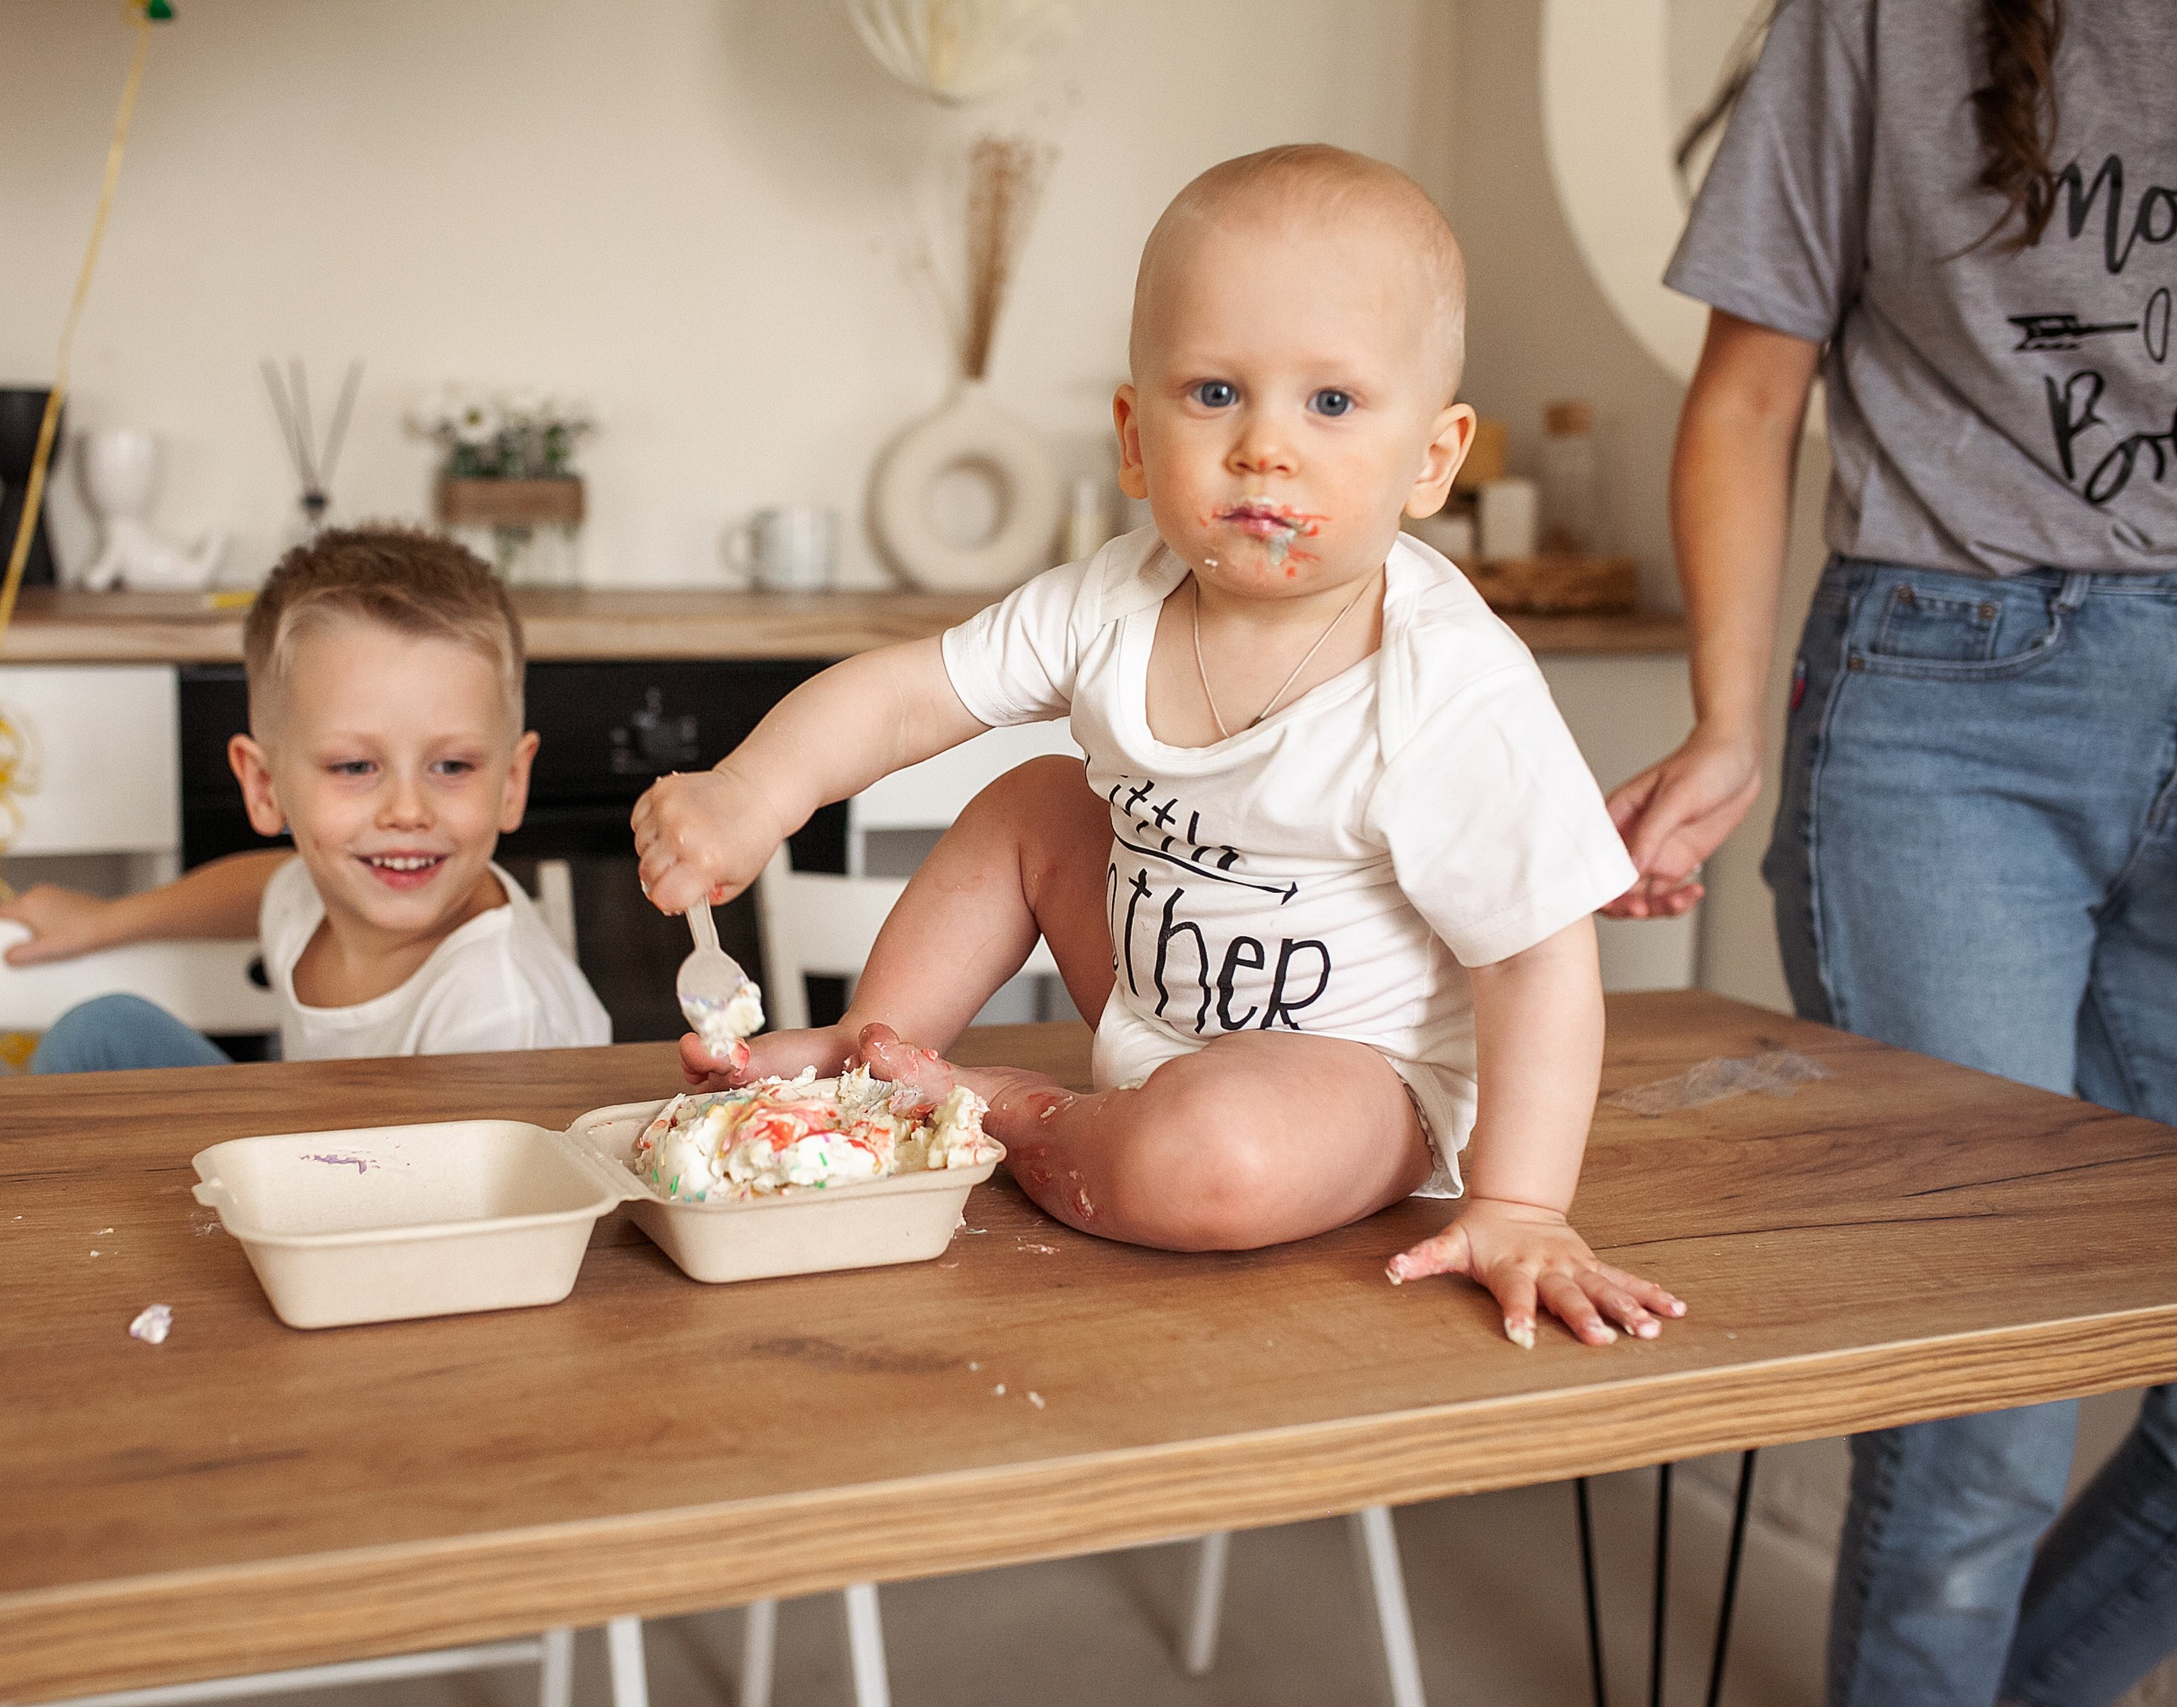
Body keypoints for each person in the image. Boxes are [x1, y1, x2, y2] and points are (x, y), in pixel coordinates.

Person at [634, 145, 1683, 1350]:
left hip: (1356, 1083)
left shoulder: (1444, 680)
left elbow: (1537, 961)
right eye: (1215, 394)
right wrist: (750, 793)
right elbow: (904, 696)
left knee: (1215, 1161)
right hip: (1150, 1003)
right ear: (1135, 439)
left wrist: (1518, 1203)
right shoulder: (1112, 599)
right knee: (1032, 802)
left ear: (1432, 460)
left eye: (1330, 403)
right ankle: (879, 1051)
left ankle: (1009, 1113)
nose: (1264, 448)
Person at [1602, 2, 2177, 1701]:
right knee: (1986, 1404)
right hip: (1953, 701)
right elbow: (1747, 394)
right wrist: (1729, 722)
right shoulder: (1885, 19)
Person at [1, 525, 609, 1067]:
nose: (407, 811)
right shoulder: (318, 892)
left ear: (511, 783)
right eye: (354, 766)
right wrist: (108, 919)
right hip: (328, 1161)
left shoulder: (495, 1019)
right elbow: (269, 886)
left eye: (451, 765)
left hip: (436, 1192)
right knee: (101, 1033)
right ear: (266, 788)